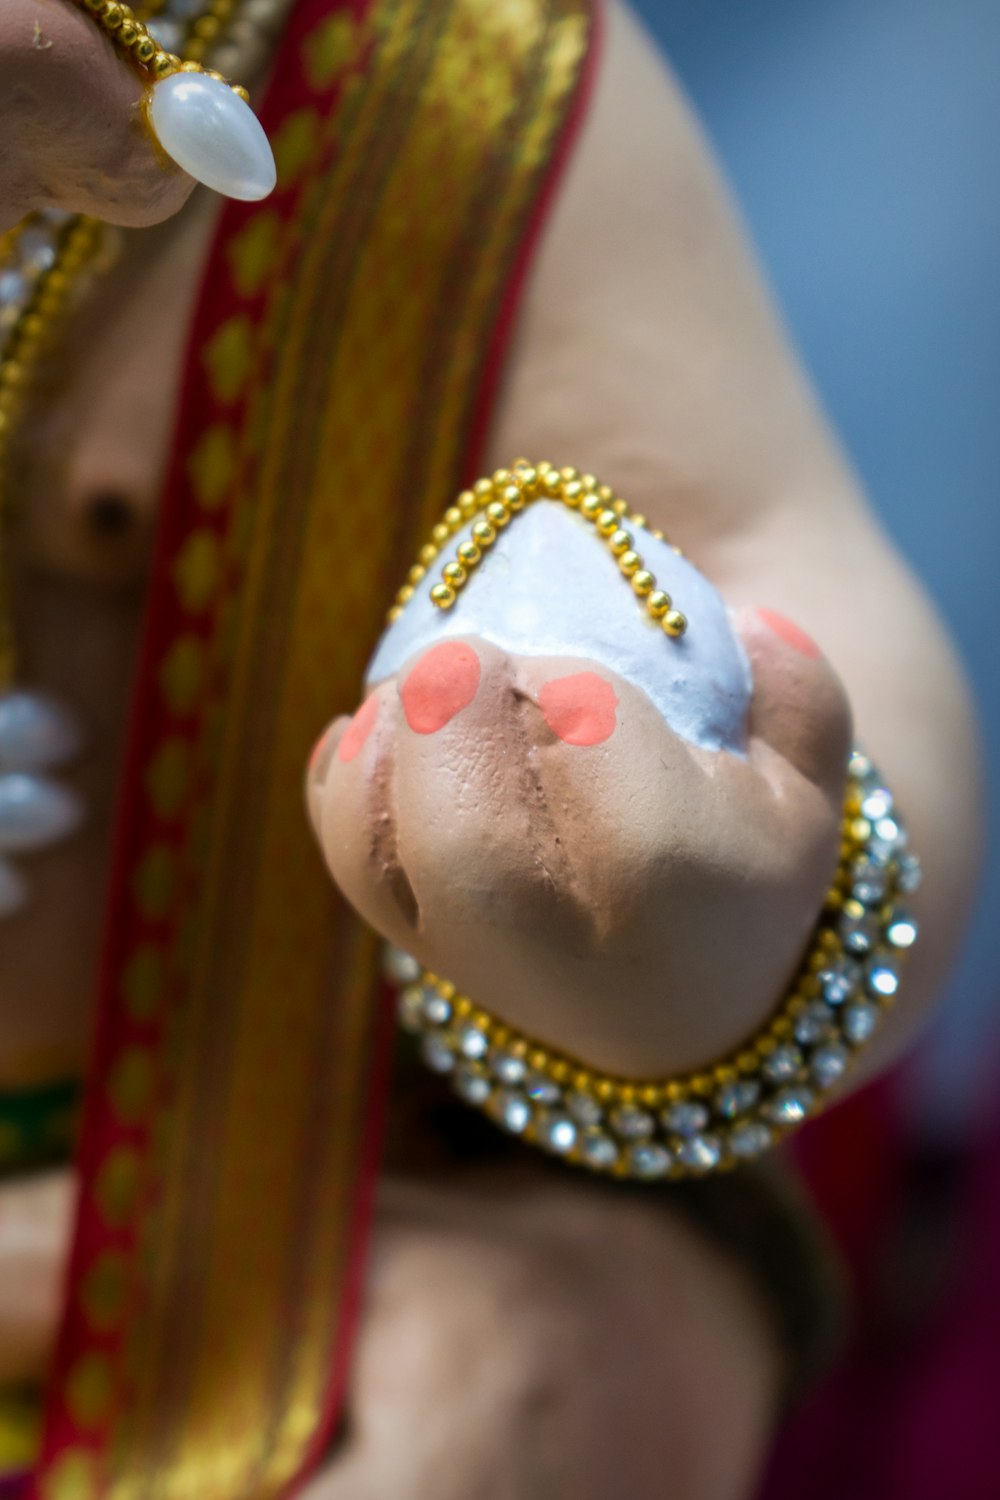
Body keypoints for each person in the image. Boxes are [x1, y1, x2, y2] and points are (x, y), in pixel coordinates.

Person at [0, 1, 982, 1496]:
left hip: (336, 1202)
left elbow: (766, 562)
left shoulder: (446, 74)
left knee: (572, 1371)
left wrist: (720, 939)